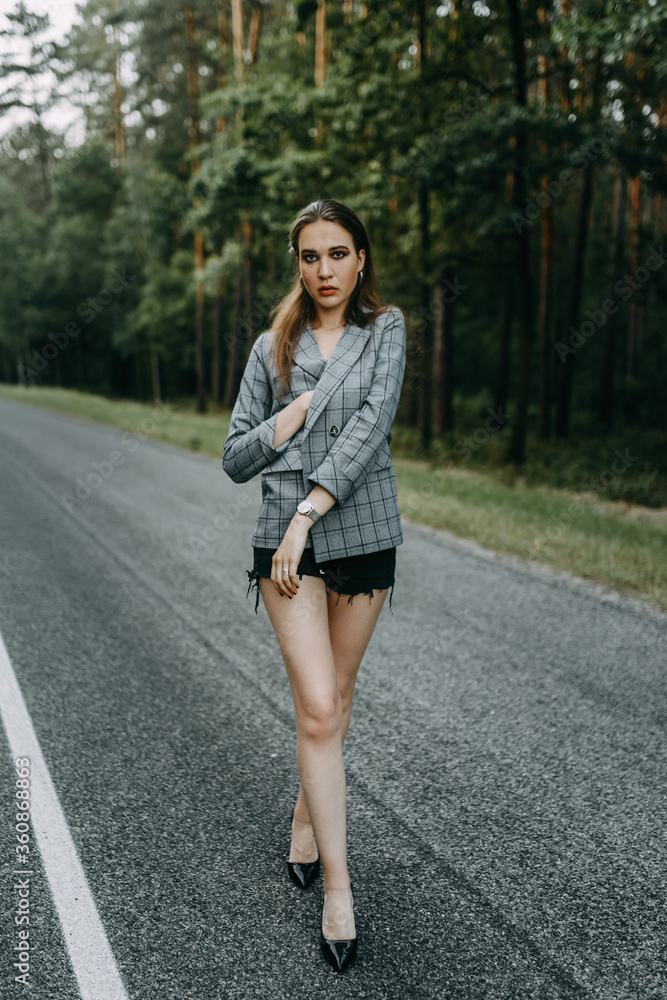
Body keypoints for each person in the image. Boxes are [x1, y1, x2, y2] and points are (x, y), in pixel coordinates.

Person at [222, 199, 406, 972]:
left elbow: (371, 425)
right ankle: (339, 887)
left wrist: (310, 509)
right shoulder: (271, 348)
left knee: (340, 694)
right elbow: (235, 456)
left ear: (360, 258)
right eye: (309, 256)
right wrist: (289, 416)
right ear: (295, 264)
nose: (323, 269)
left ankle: (306, 820)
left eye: (337, 253)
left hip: (360, 534)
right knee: (320, 707)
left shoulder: (385, 330)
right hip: (285, 551)